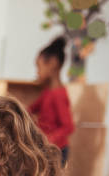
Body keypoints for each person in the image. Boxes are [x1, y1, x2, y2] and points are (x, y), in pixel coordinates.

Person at [29, 36, 75, 165]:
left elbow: (68, 126)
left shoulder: (58, 95)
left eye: (39, 67)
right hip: (46, 147)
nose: (37, 72)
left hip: (57, 150)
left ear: (53, 64)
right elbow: (32, 108)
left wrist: (48, 139)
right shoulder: (48, 92)